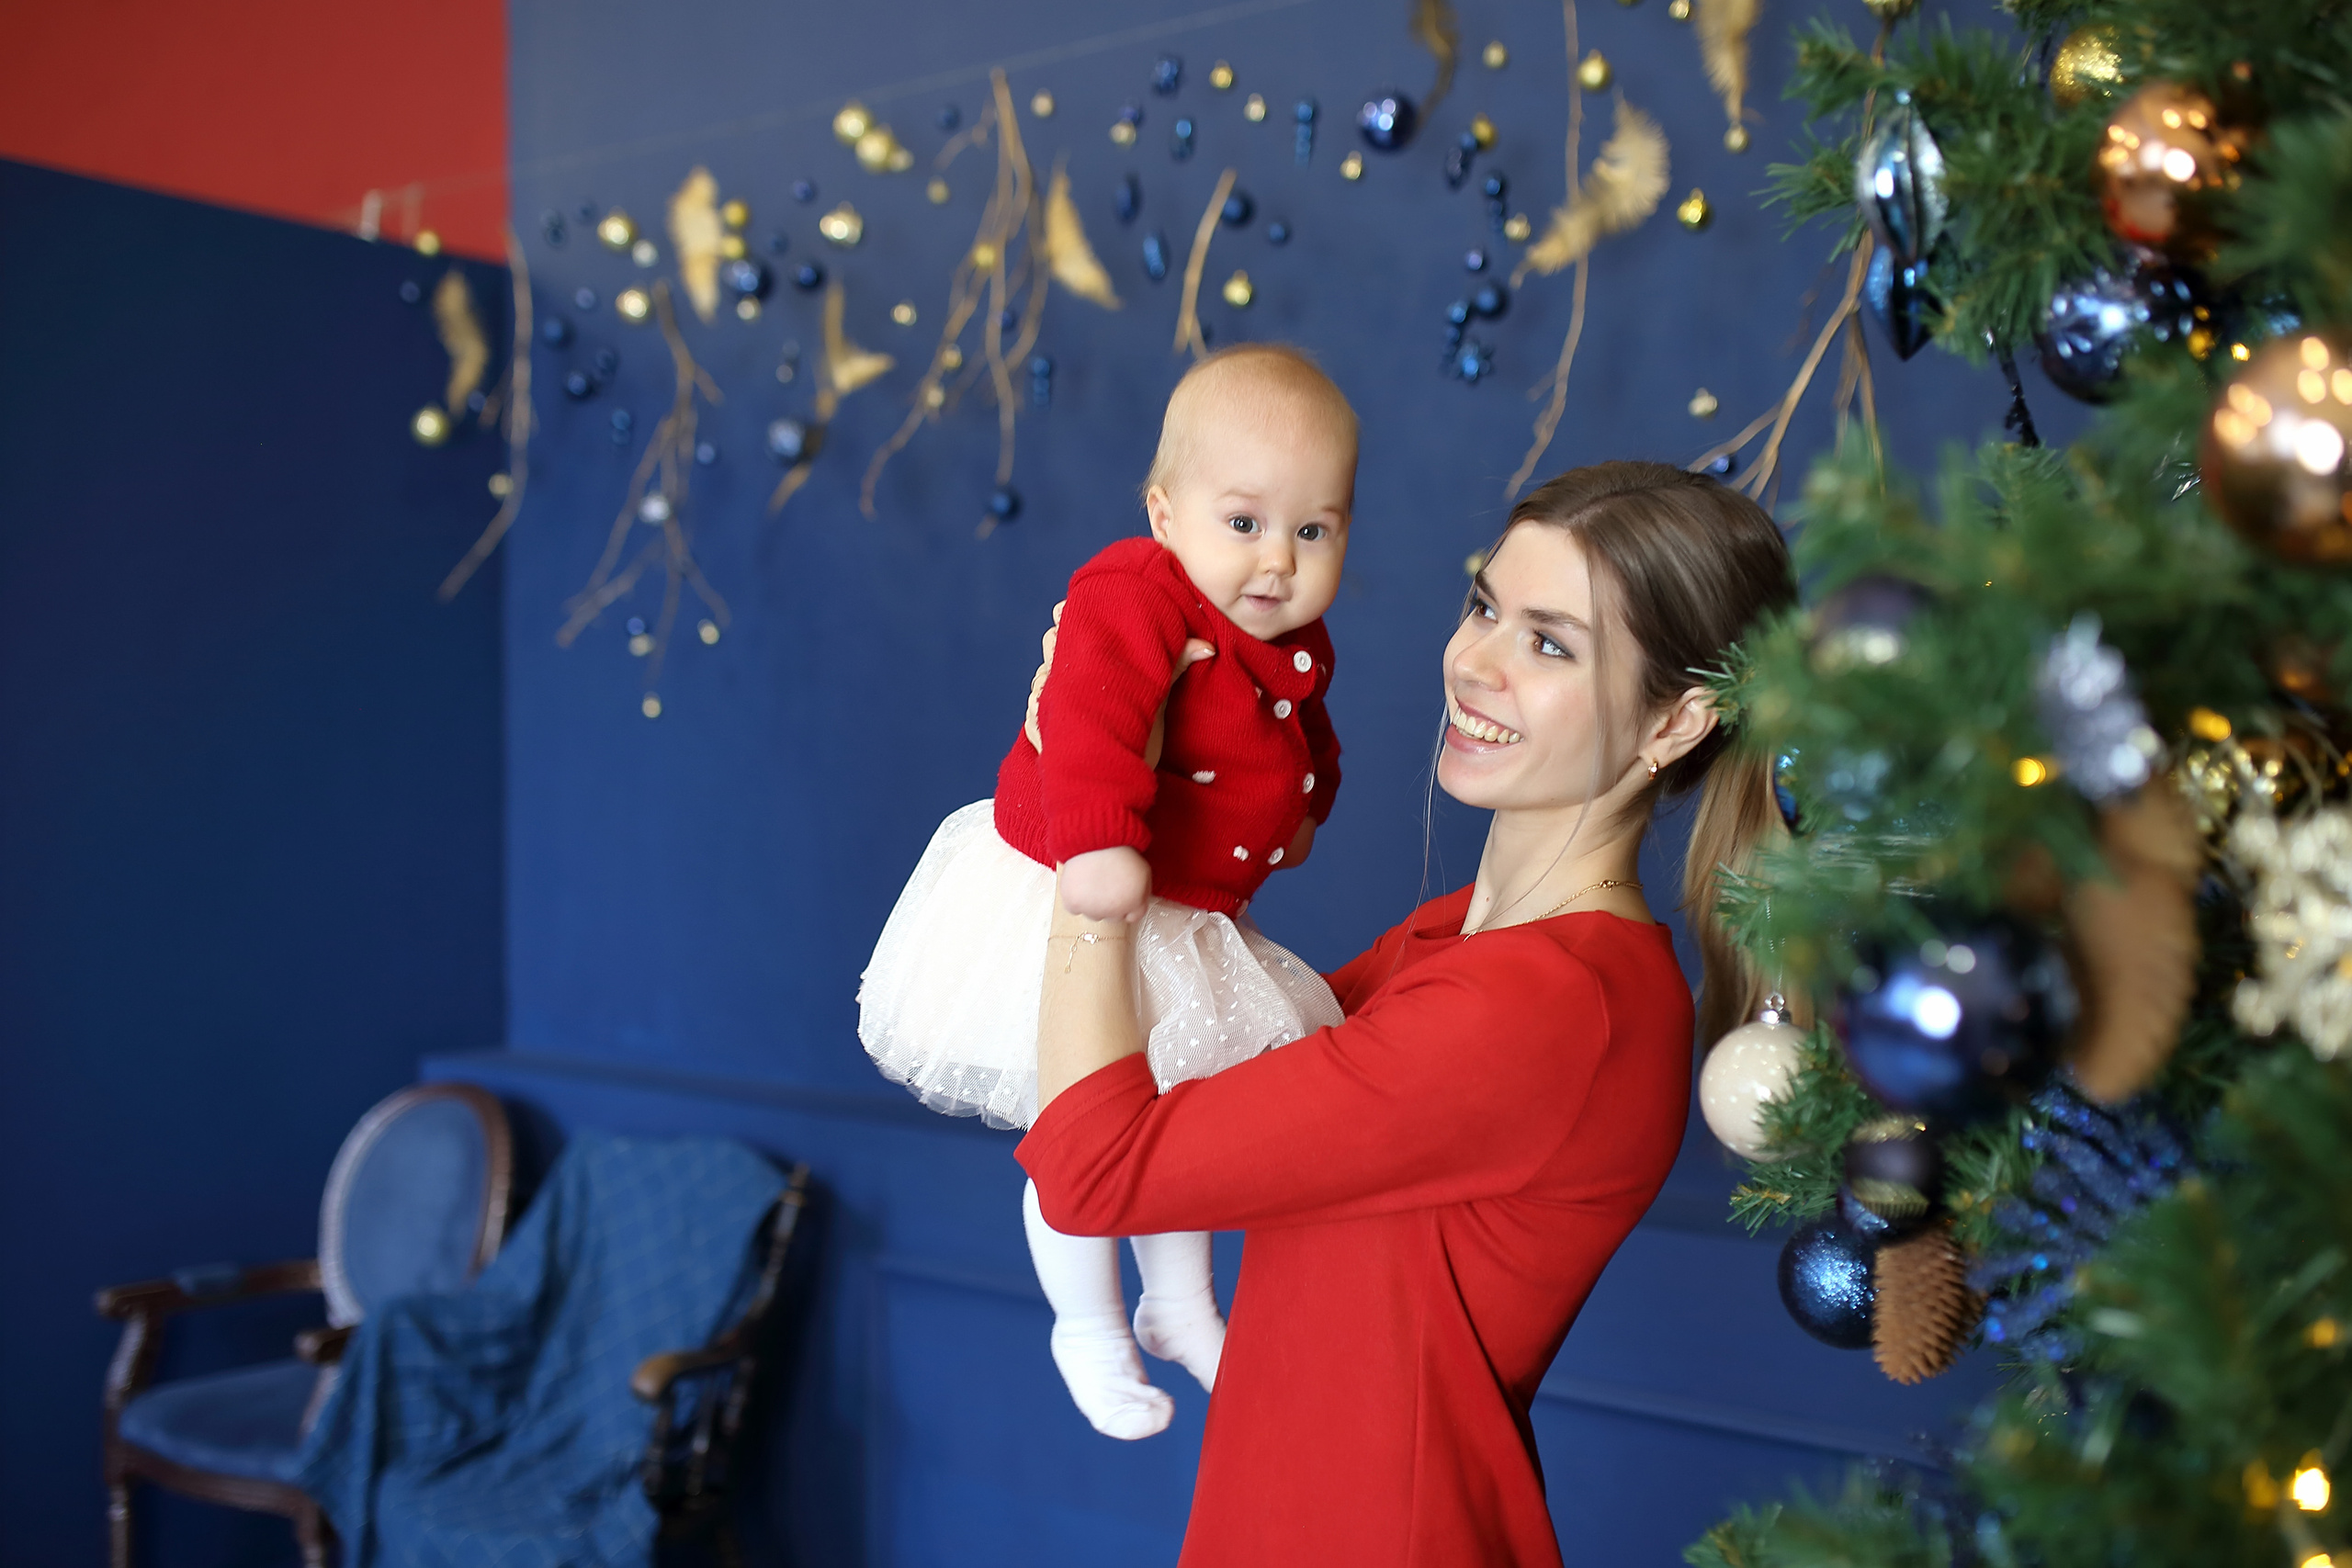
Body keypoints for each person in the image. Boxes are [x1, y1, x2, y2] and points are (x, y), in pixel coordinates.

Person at [1018, 461, 1798, 1566]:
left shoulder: (1546, 1004)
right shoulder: (1453, 946)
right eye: (1484, 606)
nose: (1474, 662)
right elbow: (1179, 1081)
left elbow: (1096, 1170)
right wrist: (1102, 740)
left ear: (1675, 721)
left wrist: (1090, 834)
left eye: (1549, 644)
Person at [858, 344, 1361, 1441]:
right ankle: (1086, 1326)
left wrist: (1306, 812)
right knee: (1079, 1122)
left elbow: (1307, 740)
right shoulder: (1133, 592)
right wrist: (1097, 849)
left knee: (1175, 1121)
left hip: (1184, 914)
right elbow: (1088, 721)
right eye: (1244, 522)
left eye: (1314, 531)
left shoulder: (1290, 639)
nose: (1277, 560)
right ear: (1164, 513)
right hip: (1069, 886)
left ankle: (1180, 1307)